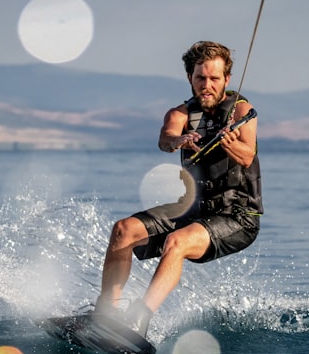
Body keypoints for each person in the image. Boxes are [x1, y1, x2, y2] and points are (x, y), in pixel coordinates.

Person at [90, 40, 263, 338]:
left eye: (214, 79)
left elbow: (247, 155)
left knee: (176, 241)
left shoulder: (241, 111)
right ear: (190, 78)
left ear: (226, 80)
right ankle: (107, 314)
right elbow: (165, 139)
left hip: (236, 216)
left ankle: (139, 320)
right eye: (200, 78)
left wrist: (230, 142)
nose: (206, 85)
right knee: (123, 230)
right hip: (193, 208)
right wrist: (179, 141)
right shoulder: (180, 114)